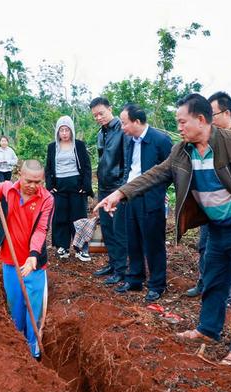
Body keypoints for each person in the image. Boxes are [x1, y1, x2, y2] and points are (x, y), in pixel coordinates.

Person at [96, 93, 231, 366]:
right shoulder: (182, 151)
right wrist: (120, 194)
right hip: (215, 229)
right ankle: (208, 329)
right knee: (213, 282)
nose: (178, 128)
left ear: (201, 120)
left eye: (182, 122)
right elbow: (155, 174)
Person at [0, 142, 54, 360]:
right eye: (28, 181)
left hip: (34, 267)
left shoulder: (47, 199)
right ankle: (18, 352)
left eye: (38, 182)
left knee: (34, 312)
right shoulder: (7, 189)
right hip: (10, 262)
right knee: (15, 309)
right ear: (19, 174)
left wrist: (33, 256)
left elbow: (41, 229)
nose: (32, 186)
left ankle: (33, 351)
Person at [187, 91, 231, 298]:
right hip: (210, 208)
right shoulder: (209, 139)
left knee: (230, 253)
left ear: (226, 113)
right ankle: (205, 283)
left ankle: (230, 291)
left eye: (213, 113)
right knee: (205, 247)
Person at [114, 104, 172, 302]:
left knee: (153, 243)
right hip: (131, 196)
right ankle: (135, 278)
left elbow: (170, 170)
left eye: (124, 123)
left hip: (151, 199)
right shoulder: (130, 141)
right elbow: (130, 169)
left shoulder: (160, 141)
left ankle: (157, 284)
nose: (122, 127)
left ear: (137, 122)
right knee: (133, 239)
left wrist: (158, 192)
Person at [89, 97, 129, 284]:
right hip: (103, 186)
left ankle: (121, 269)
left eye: (101, 113)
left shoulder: (122, 130)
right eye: (95, 115)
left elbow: (127, 161)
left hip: (117, 187)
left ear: (110, 109)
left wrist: (123, 187)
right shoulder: (101, 133)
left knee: (118, 229)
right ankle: (113, 264)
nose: (98, 117)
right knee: (106, 228)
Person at [45, 116, 93, 261]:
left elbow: (86, 166)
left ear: (71, 131)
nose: (64, 133)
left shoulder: (78, 145)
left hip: (76, 186)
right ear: (58, 132)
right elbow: (48, 167)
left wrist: (85, 186)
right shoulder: (52, 147)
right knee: (60, 217)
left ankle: (80, 249)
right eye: (61, 130)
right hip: (59, 187)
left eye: (67, 130)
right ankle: (63, 246)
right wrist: (50, 185)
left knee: (79, 217)